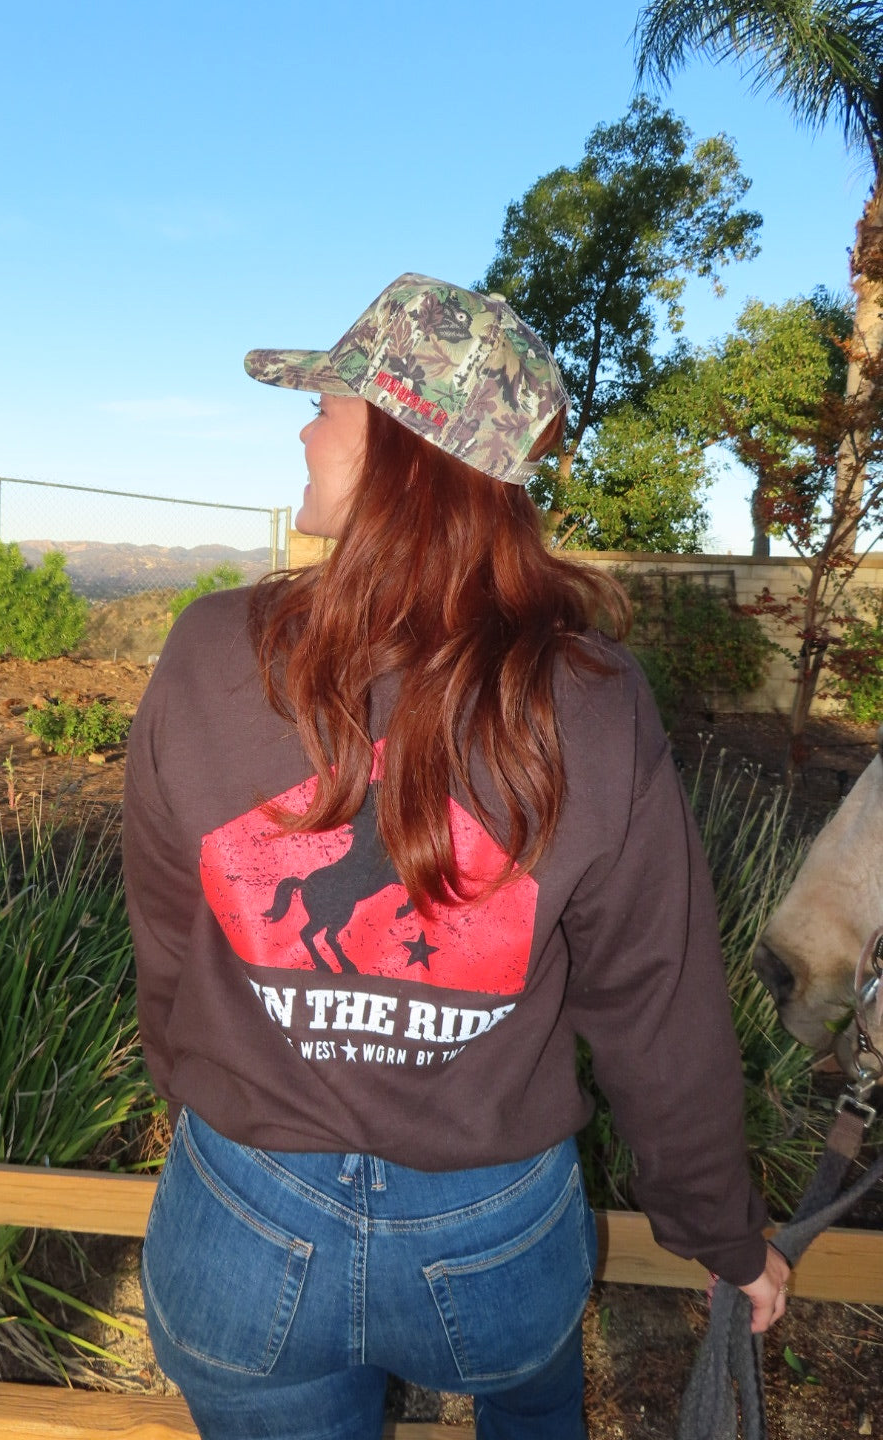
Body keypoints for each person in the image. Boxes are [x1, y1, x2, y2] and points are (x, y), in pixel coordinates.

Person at [123, 273, 789, 1440]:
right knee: (532, 1405)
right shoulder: (591, 698)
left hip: (245, 1207)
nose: (303, 429)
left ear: (403, 448)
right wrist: (723, 1238)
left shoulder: (209, 651)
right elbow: (656, 1005)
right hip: (490, 1227)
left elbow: (169, 934)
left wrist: (205, 1095)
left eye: (327, 405)